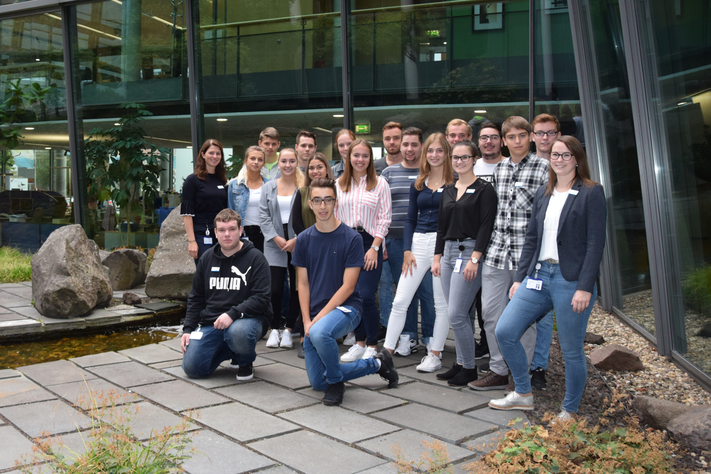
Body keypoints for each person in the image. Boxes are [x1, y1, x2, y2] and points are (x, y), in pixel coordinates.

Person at [490, 136, 606, 420]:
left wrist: (584, 287)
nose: (560, 160)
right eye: (555, 155)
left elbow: (595, 244)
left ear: (577, 158)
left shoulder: (592, 192)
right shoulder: (544, 192)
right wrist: (519, 278)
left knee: (571, 350)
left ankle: (569, 411)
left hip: (571, 281)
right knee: (505, 331)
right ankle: (523, 394)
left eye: (566, 155)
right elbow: (532, 239)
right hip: (539, 276)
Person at [292, 178, 398, 406]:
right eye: (317, 201)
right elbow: (303, 284)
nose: (323, 206)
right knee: (318, 382)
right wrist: (307, 320)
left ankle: (336, 383)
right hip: (316, 314)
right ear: (310, 204)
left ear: (336, 202)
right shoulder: (303, 239)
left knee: (320, 333)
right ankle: (378, 364)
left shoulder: (352, 238)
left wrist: (316, 322)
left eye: (328, 200)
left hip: (348, 308)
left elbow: (349, 287)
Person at [469, 116, 549, 391]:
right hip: (496, 256)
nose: (517, 141)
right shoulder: (499, 170)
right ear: (504, 141)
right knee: (491, 314)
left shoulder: (544, 169)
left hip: (526, 259)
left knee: (524, 319)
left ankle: (520, 375)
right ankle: (498, 370)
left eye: (522, 136)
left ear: (531, 138)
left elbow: (545, 219)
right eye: (511, 137)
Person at [383, 132, 454, 372]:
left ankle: (435, 354)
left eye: (439, 151)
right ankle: (386, 353)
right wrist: (406, 250)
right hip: (417, 244)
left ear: (446, 153)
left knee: (440, 304)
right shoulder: (419, 182)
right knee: (400, 300)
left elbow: (452, 222)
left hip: (441, 246)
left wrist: (440, 253)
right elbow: (410, 219)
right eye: (431, 151)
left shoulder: (455, 183)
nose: (434, 155)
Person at [432, 140, 497, 386]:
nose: (459, 162)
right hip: (448, 253)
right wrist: (437, 257)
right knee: (457, 314)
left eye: (465, 157)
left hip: (469, 253)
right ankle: (460, 362)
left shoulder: (484, 190)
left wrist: (475, 258)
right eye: (456, 158)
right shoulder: (448, 190)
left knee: (457, 313)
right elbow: (441, 227)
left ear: (474, 159)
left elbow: (486, 227)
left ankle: (469, 368)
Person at [181, 208, 272, 381]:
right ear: (215, 232)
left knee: (238, 332)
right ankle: (231, 349)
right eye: (222, 230)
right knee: (192, 368)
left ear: (240, 230)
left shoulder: (256, 258)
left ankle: (244, 359)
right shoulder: (206, 258)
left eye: (231, 229)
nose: (227, 234)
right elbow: (196, 297)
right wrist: (188, 329)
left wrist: (233, 314)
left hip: (248, 320)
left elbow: (262, 298)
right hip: (213, 323)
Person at [381, 127, 435, 356]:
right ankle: (408, 336)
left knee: (429, 293)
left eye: (414, 144)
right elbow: (380, 209)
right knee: (405, 293)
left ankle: (431, 337)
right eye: (406, 144)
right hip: (395, 241)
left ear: (421, 146)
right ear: (400, 146)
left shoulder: (431, 174)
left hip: (424, 241)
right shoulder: (388, 173)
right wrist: (381, 241)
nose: (409, 149)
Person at [336, 139, 392, 362]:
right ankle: (358, 343)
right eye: (356, 155)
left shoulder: (380, 183)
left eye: (365, 156)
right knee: (350, 294)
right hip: (345, 242)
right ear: (349, 158)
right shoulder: (339, 183)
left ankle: (371, 343)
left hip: (370, 242)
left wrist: (375, 247)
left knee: (367, 295)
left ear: (370, 158)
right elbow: (335, 216)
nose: (360, 159)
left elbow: (385, 218)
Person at [528, 113, 562, 390]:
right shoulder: (525, 165)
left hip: (550, 255)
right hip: (524, 249)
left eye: (550, 133)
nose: (545, 138)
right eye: (540, 133)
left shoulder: (562, 167)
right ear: (532, 136)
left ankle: (539, 366)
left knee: (542, 317)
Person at [259, 148, 305, 349]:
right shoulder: (268, 187)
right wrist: (276, 237)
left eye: (291, 161)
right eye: (284, 161)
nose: (287, 165)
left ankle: (288, 330)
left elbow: (308, 217)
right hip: (273, 243)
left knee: (297, 287)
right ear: (278, 163)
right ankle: (274, 328)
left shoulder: (304, 187)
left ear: (297, 163)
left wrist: (297, 239)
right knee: (275, 289)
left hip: (298, 243)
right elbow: (263, 215)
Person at [181, 139, 228, 262]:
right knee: (207, 272)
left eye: (218, 154)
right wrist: (192, 241)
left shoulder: (222, 180)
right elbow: (187, 214)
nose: (215, 156)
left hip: (221, 234)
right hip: (202, 235)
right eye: (211, 153)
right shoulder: (192, 180)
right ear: (203, 154)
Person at [228, 146, 267, 252]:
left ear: (264, 163)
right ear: (246, 160)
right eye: (252, 158)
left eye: (260, 159)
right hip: (242, 232)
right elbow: (230, 212)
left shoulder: (269, 184)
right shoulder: (235, 185)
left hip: (264, 234)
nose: (256, 162)